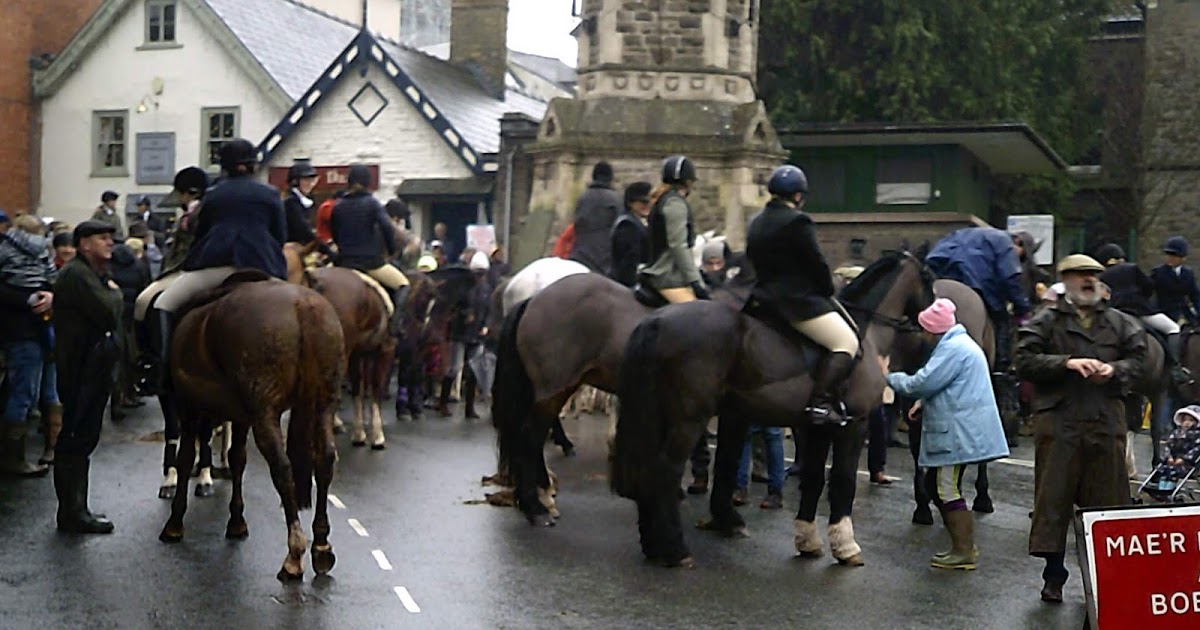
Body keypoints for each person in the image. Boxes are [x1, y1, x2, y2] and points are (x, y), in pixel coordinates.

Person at [1015, 254, 1146, 603]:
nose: (1089, 280)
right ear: (1065, 280)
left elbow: (1140, 360)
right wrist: (1067, 363)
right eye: (1081, 274)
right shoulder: (1045, 321)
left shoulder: (1120, 322)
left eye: (1094, 274)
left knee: (1108, 504)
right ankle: (1053, 576)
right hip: (1060, 422)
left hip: (1105, 421)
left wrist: (1114, 370)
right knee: (1054, 500)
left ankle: (1105, 580)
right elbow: (1023, 360)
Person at [882, 298, 1009, 570]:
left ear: (933, 330)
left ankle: (964, 551)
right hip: (963, 429)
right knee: (936, 485)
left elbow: (921, 382)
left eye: (925, 329)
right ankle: (963, 547)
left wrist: (888, 376)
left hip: (958, 434)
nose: (923, 335)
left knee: (945, 488)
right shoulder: (961, 344)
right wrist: (924, 403)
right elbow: (947, 384)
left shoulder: (951, 349)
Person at [150, 140, 288, 390]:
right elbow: (280, 235)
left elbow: (202, 234)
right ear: (253, 165)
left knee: (164, 303)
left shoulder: (214, 195)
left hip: (217, 267)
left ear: (224, 167)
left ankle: (163, 371)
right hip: (263, 267)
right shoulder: (270, 193)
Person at [746, 164, 858, 423]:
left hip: (761, 300)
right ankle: (820, 403)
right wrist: (827, 289)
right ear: (798, 196)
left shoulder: (755, 222)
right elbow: (815, 262)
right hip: (795, 303)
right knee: (846, 343)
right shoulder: (798, 221)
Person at [926, 226, 1032, 443]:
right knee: (1002, 338)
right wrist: (1023, 307)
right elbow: (1009, 278)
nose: (1019, 260)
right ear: (1018, 243)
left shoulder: (961, 233)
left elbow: (932, 257)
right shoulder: (1004, 242)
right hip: (978, 287)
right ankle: (1001, 383)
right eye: (1022, 257)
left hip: (936, 281)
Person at [52, 220, 123, 534]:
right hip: (80, 368)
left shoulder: (92, 273)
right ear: (84, 244)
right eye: (102, 238)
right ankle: (72, 513)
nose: (109, 243)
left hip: (91, 367)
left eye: (110, 238)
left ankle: (76, 508)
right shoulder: (78, 275)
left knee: (82, 438)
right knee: (76, 439)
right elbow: (108, 311)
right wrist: (115, 293)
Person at [0, 210, 57, 477]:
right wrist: (47, 296)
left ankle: (15, 455)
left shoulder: (4, 250)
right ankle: (14, 458)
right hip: (38, 328)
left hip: (17, 330)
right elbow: (52, 280)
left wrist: (27, 299)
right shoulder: (43, 252)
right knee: (26, 393)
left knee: (21, 392)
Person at [1095, 242, 1190, 384]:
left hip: (1115, 313)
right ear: (1121, 258)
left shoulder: (1101, 276)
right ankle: (1175, 368)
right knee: (1173, 328)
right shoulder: (1132, 268)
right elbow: (1148, 286)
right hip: (1140, 311)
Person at [330, 163, 410, 332]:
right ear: (367, 182)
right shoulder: (372, 204)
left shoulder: (338, 206)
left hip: (344, 263)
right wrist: (391, 250)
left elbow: (335, 233)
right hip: (371, 264)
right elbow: (387, 228)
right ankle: (394, 328)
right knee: (404, 285)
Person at [639, 155, 706, 303]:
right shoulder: (674, 203)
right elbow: (678, 245)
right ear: (687, 181)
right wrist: (695, 280)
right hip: (667, 276)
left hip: (667, 272)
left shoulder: (665, 199)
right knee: (700, 312)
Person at [569, 161, 622, 274]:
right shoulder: (615, 199)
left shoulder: (583, 198)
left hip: (580, 254)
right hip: (604, 258)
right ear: (610, 178)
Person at [609, 181, 653, 288]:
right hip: (627, 284)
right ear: (630, 203)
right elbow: (630, 261)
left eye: (649, 202)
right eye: (643, 202)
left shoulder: (640, 222)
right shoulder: (628, 225)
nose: (647, 205)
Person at [1150, 236, 1200, 325]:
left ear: (1183, 257)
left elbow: (1195, 296)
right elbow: (1147, 291)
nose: (1170, 258)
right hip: (1163, 315)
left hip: (1185, 315)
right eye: (1168, 255)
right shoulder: (1158, 272)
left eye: (1174, 255)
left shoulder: (1188, 273)